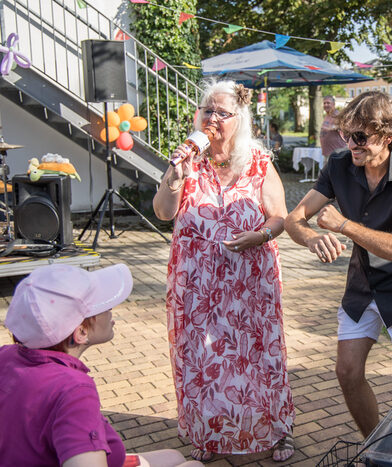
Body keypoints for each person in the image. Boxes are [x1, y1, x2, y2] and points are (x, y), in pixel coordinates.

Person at [152, 80, 294, 463]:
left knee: (260, 355)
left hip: (250, 280)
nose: (212, 118)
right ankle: (206, 432)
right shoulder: (188, 161)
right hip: (197, 282)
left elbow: (280, 217)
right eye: (207, 110)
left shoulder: (258, 161)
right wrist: (175, 175)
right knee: (202, 357)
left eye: (222, 112)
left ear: (239, 119)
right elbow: (164, 212)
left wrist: (259, 235)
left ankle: (276, 431)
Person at [285, 91, 392, 438]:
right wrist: (310, 238)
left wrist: (343, 225)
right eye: (347, 134)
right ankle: (377, 446)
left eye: (360, 136)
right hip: (363, 283)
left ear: (388, 136)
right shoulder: (338, 165)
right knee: (347, 372)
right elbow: (295, 218)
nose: (351, 143)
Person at [0, 263, 203, 467]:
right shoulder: (73, 389)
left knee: (173, 456)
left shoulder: (5, 356)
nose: (111, 311)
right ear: (81, 332)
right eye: (103, 307)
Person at [319, 95, 347, 162]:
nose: (326, 105)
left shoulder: (337, 115)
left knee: (334, 172)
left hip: (336, 153)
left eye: (328, 103)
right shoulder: (327, 115)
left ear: (333, 104)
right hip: (328, 153)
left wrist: (333, 127)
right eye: (324, 103)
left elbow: (345, 126)